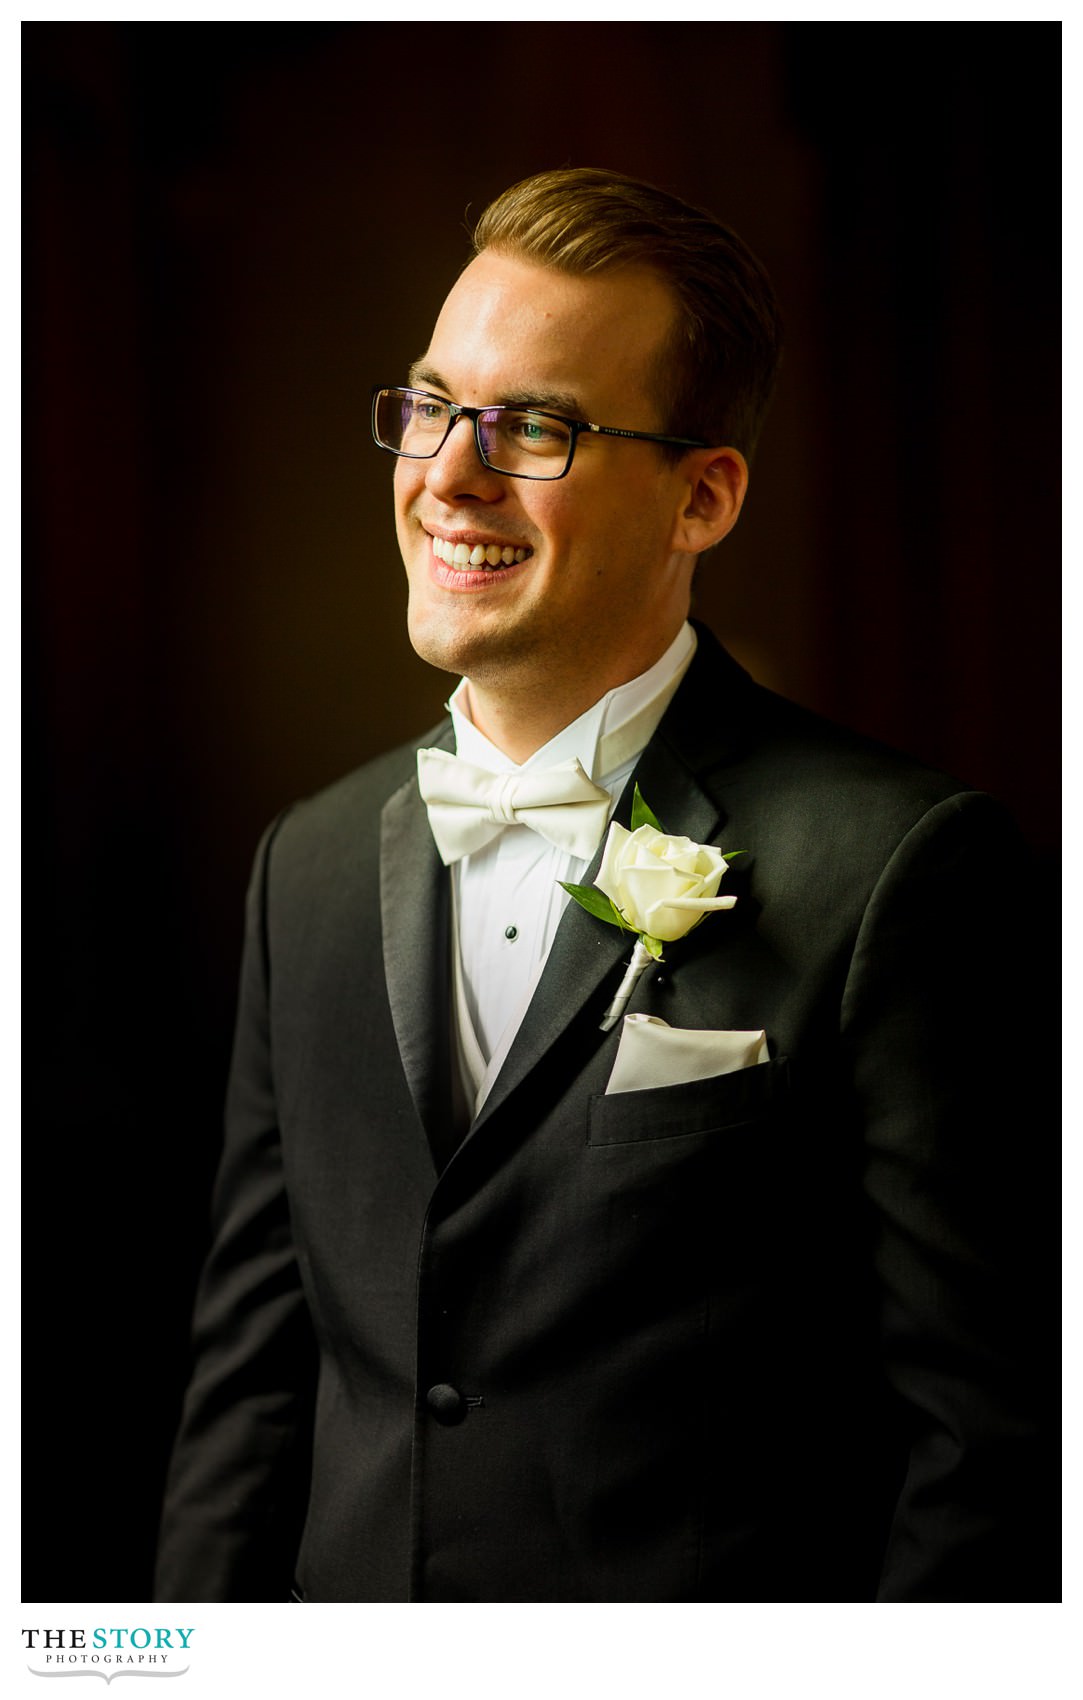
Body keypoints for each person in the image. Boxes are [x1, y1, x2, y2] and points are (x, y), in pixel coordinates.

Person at [154, 167, 1054, 1603]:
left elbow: (991, 1450)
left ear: (703, 496)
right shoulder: (306, 867)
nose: (448, 475)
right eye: (435, 405)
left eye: (535, 429)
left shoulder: (901, 868)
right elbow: (252, 1398)